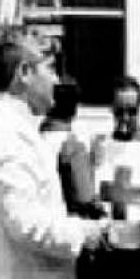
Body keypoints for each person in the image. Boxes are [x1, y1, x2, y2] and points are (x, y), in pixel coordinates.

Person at [0, 36, 109, 279]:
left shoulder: (8, 129)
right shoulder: (10, 134)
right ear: (24, 73)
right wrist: (84, 232)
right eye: (51, 68)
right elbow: (25, 223)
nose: (56, 80)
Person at [88, 76, 140, 279]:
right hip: (111, 253)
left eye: (131, 111)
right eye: (119, 111)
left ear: (139, 109)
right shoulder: (101, 145)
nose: (124, 118)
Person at [42, 79, 104, 220]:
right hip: (67, 225)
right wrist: (92, 166)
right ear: (75, 109)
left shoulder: (35, 140)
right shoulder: (74, 148)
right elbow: (86, 198)